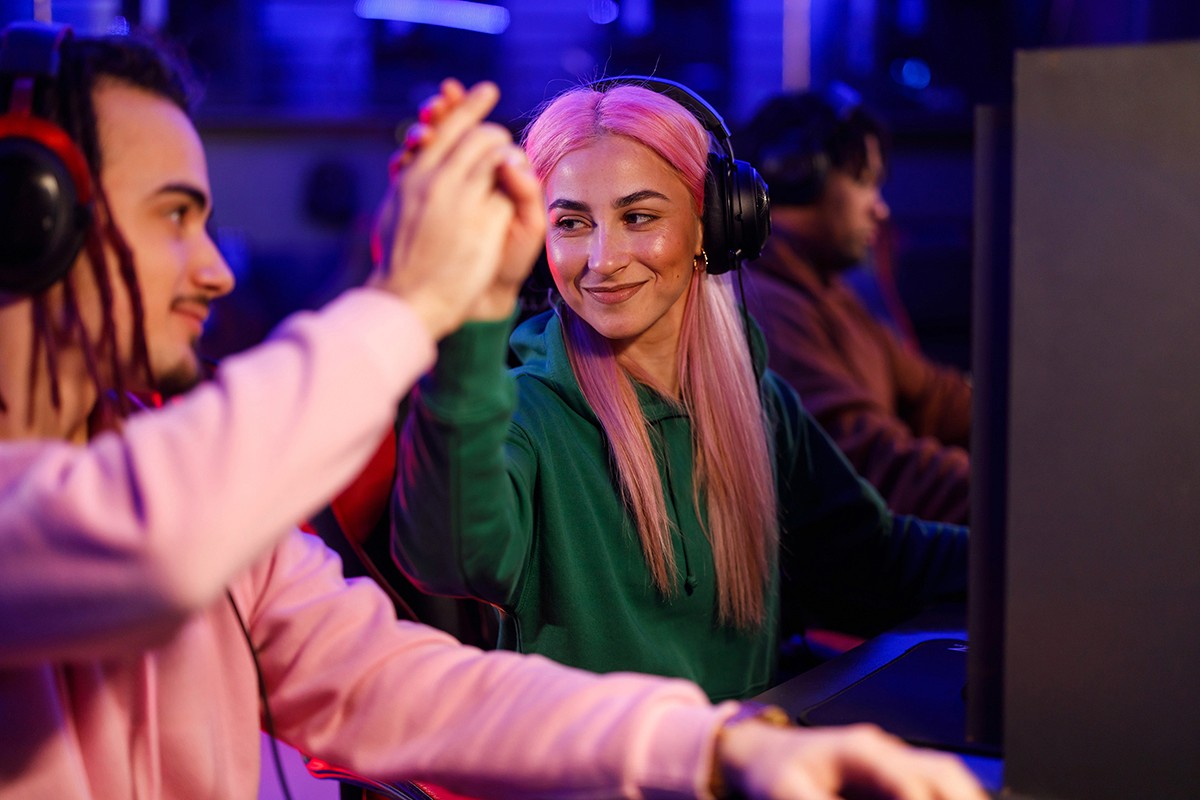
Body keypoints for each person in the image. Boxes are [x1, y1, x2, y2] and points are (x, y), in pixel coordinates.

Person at [0, 23, 988, 800]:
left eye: (640, 217)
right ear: (26, 217)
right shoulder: (101, 510)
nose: (217, 269)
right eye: (177, 215)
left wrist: (722, 745)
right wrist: (418, 304)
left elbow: (390, 679)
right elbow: (149, 538)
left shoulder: (191, 496)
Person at [390, 78, 969, 705]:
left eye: (639, 217)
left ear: (712, 225)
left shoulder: (758, 403)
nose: (603, 259)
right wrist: (468, 321)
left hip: (746, 760)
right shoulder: (525, 417)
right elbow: (447, 555)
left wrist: (1047, 559)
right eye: (571, 223)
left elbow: (878, 560)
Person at [734, 88, 973, 525]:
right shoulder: (768, 308)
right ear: (795, 174)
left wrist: (1026, 417)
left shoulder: (826, 289)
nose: (880, 209)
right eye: (865, 182)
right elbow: (867, 468)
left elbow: (933, 394)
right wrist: (1015, 494)